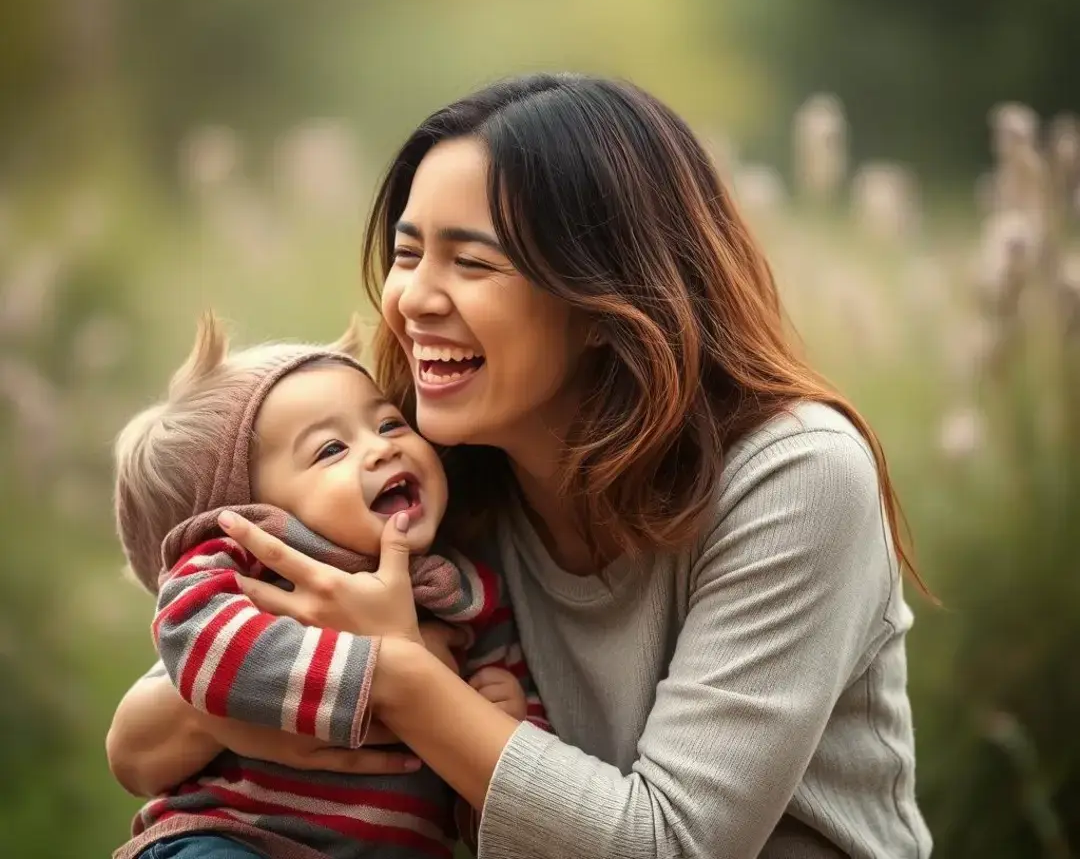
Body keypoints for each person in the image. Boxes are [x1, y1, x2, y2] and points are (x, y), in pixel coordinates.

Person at [108, 73, 933, 858]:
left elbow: (672, 845)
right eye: (407, 254)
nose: (415, 300)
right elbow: (139, 742)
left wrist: (400, 677)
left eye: (471, 263)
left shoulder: (797, 479)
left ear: (611, 305)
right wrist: (285, 687)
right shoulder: (438, 475)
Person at [111, 314, 542, 859]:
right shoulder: (255, 567)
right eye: (330, 450)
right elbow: (193, 639)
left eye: (388, 424)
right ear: (251, 507)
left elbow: (514, 801)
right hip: (235, 838)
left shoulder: (463, 589)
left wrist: (506, 720)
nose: (383, 449)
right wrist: (373, 678)